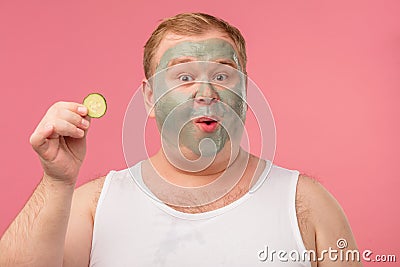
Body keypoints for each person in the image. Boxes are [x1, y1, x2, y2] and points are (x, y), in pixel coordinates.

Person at [0, 13, 362, 267]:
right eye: (184, 76)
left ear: (246, 92)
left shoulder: (308, 203)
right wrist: (56, 181)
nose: (205, 92)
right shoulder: (94, 206)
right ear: (149, 98)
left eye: (223, 75)